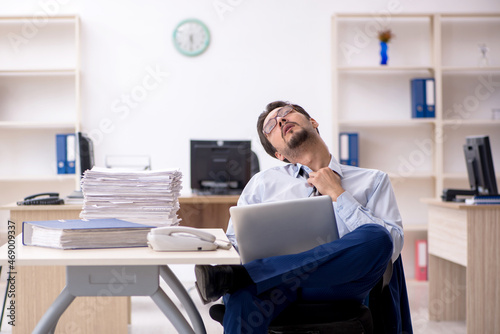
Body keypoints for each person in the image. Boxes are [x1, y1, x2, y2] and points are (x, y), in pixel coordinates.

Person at [195, 101, 409, 334]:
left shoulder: (373, 180)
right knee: (243, 296)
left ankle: (248, 275)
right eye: (271, 127)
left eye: (286, 113)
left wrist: (338, 194)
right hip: (275, 287)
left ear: (313, 123)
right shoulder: (262, 184)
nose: (280, 121)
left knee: (378, 237)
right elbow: (235, 243)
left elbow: (392, 245)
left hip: (338, 285)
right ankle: (251, 276)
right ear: (279, 154)